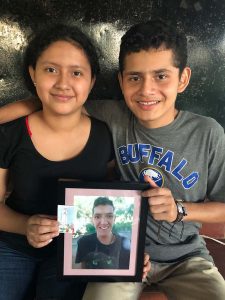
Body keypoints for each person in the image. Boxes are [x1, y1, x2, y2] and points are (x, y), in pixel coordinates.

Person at [1, 18, 224, 300]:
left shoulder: (208, 133)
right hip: (121, 254)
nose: (146, 90)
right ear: (120, 80)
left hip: (188, 257)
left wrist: (180, 210)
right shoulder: (111, 116)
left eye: (161, 76)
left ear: (183, 79)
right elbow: (54, 99)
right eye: (134, 77)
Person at [0, 23, 115, 300]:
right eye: (51, 70)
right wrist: (26, 226)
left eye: (76, 73)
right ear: (33, 74)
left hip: (76, 252)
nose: (63, 83)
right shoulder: (11, 133)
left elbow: (115, 200)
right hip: (13, 246)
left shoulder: (104, 136)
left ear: (91, 81)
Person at [75, 197, 130, 269]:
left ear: (114, 219)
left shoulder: (126, 244)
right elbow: (83, 271)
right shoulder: (84, 242)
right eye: (97, 217)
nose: (103, 222)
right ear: (92, 220)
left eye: (109, 216)